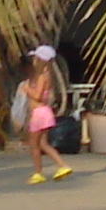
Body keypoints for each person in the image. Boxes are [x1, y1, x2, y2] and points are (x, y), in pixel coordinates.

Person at [18, 44, 68, 183]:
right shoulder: (47, 75)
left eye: (35, 58)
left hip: (39, 113)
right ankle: (61, 165)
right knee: (43, 144)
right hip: (43, 112)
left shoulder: (42, 77)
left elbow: (38, 96)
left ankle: (38, 172)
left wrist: (27, 89)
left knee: (34, 145)